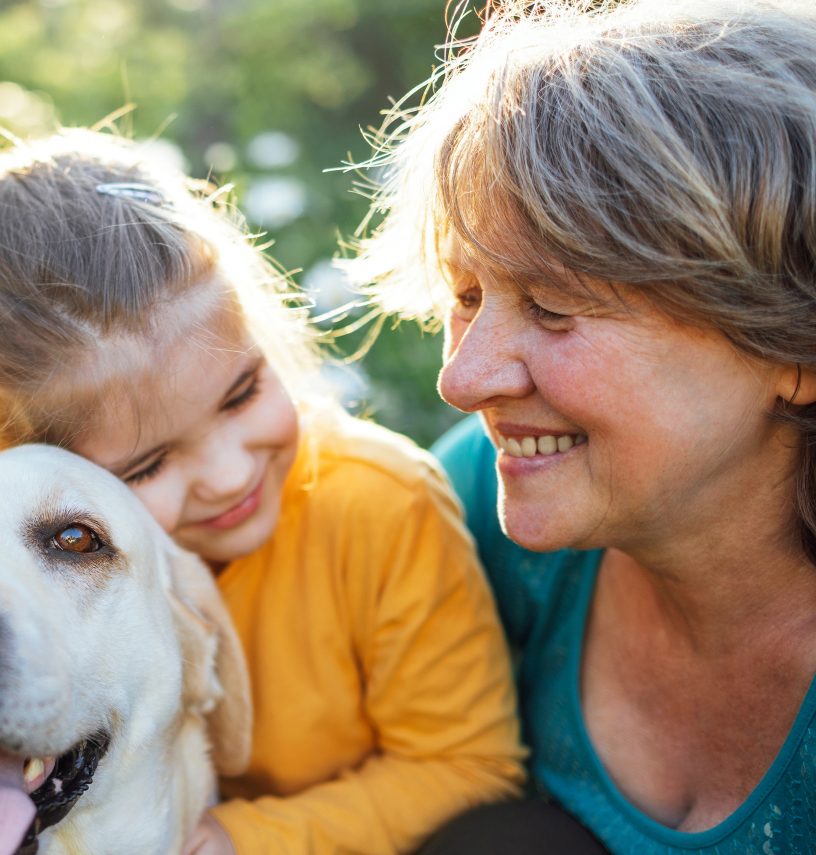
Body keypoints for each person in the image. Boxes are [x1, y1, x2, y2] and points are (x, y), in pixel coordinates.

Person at [0, 129, 526, 855]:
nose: (226, 473)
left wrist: (249, 839)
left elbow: (468, 763)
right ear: (24, 456)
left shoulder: (376, 503)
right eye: (144, 466)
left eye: (242, 391)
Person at [345, 1, 816, 852]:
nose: (463, 378)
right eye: (466, 297)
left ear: (796, 349)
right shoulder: (471, 506)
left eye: (553, 306)